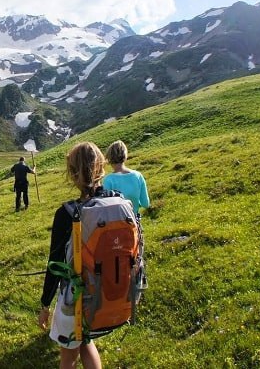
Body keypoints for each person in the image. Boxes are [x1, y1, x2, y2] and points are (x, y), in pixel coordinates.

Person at [37, 142, 104, 369]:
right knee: (86, 341)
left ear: (73, 173)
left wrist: (45, 305)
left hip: (74, 298)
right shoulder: (117, 201)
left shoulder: (67, 213)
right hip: (105, 292)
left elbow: (54, 264)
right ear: (100, 166)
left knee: (68, 357)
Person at [102, 140, 149, 215]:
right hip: (134, 223)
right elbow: (145, 204)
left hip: (115, 223)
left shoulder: (108, 180)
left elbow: (105, 207)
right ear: (125, 155)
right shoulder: (138, 176)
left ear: (109, 157)